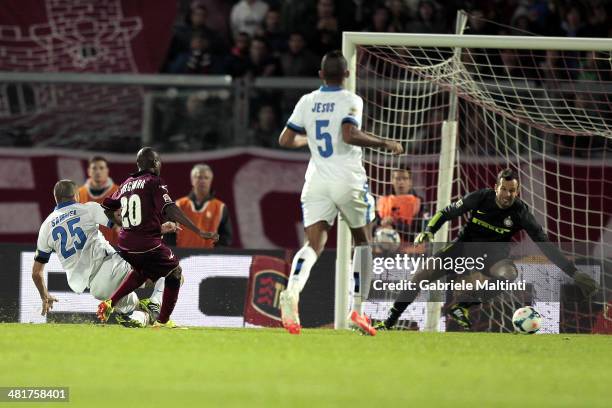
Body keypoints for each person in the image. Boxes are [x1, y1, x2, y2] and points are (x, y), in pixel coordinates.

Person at [377, 169, 599, 330]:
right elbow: (446, 212)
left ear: (517, 191)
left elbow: (546, 246)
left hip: (494, 257)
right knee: (421, 275)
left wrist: (574, 272)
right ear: (496, 188)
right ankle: (389, 321)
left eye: (513, 191)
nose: (508, 195)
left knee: (509, 274)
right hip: (462, 250)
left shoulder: (521, 213)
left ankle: (462, 307)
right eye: (504, 189)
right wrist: (429, 230)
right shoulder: (481, 197)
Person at [278, 50, 403, 335]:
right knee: (363, 242)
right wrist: (384, 142)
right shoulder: (350, 99)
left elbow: (285, 138)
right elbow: (349, 135)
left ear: (321, 74)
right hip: (347, 179)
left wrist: (309, 139)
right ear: (347, 75)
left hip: (317, 180)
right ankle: (357, 310)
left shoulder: (307, 101)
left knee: (313, 245)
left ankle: (292, 292)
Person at [97, 147, 219, 328]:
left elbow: (107, 207)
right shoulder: (154, 182)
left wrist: (123, 224)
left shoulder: (126, 183)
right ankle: (162, 321)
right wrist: (198, 231)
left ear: (138, 164)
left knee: (142, 271)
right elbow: (170, 208)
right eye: (159, 161)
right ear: (155, 163)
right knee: (175, 273)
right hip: (146, 244)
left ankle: (110, 303)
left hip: (125, 244)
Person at [33, 180, 174, 327]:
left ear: (55, 197)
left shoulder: (45, 227)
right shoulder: (87, 209)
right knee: (171, 273)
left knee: (138, 311)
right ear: (76, 195)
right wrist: (159, 228)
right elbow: (124, 224)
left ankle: (135, 316)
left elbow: (36, 273)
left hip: (96, 288)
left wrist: (45, 296)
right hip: (112, 266)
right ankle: (154, 305)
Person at [172, 164, 232, 248]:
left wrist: (216, 254)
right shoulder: (179, 205)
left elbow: (226, 239)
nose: (202, 181)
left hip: (208, 258)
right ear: (192, 180)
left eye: (206, 178)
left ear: (211, 181)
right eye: (199, 177)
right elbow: (169, 235)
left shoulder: (220, 207)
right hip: (182, 257)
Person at [77, 156, 119, 246]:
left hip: (114, 248)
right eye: (94, 168)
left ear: (107, 171)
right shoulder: (79, 194)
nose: (98, 171)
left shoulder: (119, 192)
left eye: (101, 168)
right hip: (86, 248)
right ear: (89, 171)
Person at [377, 167, 424, 246]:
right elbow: (372, 229)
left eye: (405, 178)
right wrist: (382, 224)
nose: (401, 182)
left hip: (410, 252)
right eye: (397, 178)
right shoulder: (382, 201)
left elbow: (420, 234)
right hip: (384, 251)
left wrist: (394, 225)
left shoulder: (419, 203)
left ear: (410, 182)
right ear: (392, 180)